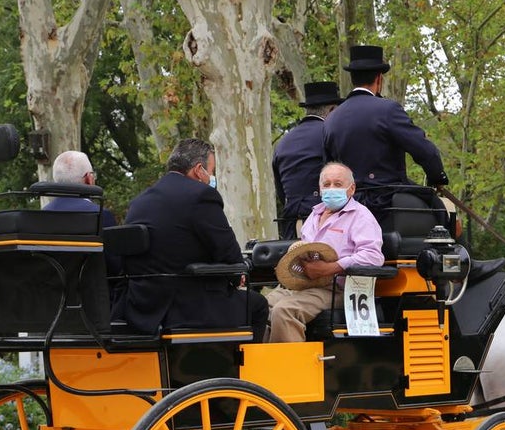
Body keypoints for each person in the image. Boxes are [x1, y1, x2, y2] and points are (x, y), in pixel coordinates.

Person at [112, 138, 269, 340]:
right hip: (185, 307)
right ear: (198, 170)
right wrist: (237, 272)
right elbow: (230, 255)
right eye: (211, 171)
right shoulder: (202, 195)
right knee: (257, 305)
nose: (211, 177)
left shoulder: (139, 201)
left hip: (140, 306)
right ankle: (243, 369)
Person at [323, 45, 448, 225]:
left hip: (348, 201)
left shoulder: (331, 120)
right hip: (387, 197)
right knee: (439, 208)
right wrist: (437, 176)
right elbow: (423, 149)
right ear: (379, 79)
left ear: (352, 79)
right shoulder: (387, 110)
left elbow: (327, 166)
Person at [266, 162, 383, 343]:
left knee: (284, 311)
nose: (331, 189)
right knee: (260, 306)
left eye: (338, 184)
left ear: (351, 189)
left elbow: (373, 256)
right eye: (326, 184)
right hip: (305, 284)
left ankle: (295, 369)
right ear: (320, 189)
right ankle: (263, 366)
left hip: (338, 288)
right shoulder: (314, 214)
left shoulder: (361, 216)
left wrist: (331, 268)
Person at [272, 81, 344, 239]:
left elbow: (281, 193)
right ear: (332, 110)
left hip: (291, 224)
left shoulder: (283, 143)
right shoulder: (330, 135)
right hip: (324, 222)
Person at [45, 150, 119, 275]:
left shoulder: (40, 216)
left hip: (52, 292)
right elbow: (115, 266)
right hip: (94, 292)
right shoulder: (100, 215)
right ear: (89, 179)